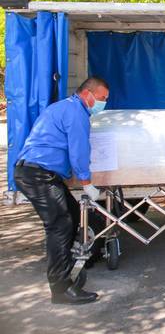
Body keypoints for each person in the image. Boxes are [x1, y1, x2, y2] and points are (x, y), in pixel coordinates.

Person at [14, 77, 109, 304]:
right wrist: (87, 183)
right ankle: (60, 289)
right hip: (37, 175)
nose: (104, 103)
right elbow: (79, 149)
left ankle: (75, 264)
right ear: (88, 94)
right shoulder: (76, 113)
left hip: (41, 173)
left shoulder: (64, 107)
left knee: (75, 214)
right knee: (60, 225)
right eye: (102, 98)